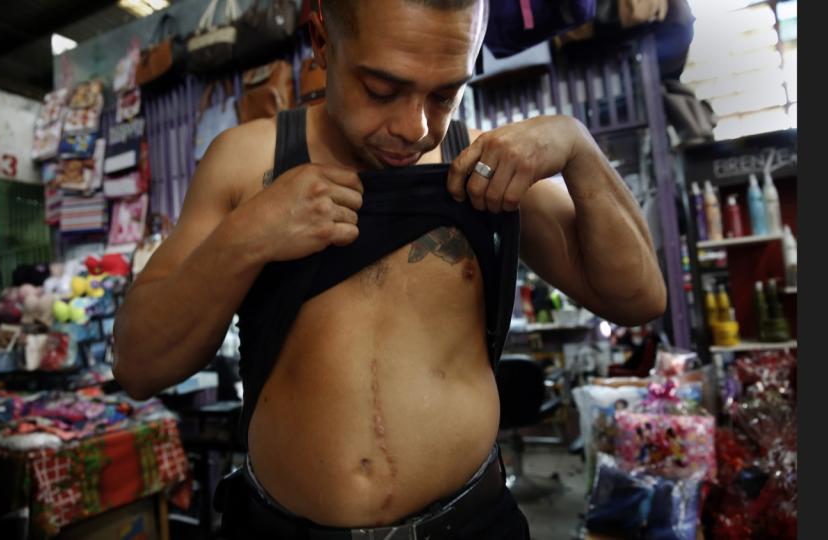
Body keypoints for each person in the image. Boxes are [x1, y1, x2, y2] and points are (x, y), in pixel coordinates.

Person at [113, 0, 666, 537]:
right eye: (382, 89)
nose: (415, 127)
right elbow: (140, 366)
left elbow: (639, 298)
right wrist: (248, 236)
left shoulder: (486, 169)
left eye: (447, 92)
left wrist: (577, 146)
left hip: (471, 525)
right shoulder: (246, 163)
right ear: (322, 42)